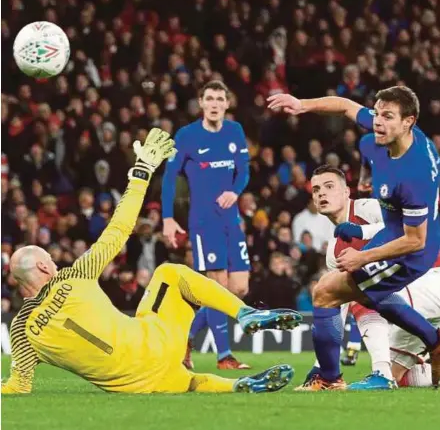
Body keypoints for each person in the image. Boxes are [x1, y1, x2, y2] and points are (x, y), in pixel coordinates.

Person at [1, 129, 301, 395]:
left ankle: (236, 385)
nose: (54, 262)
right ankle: (244, 313)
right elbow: (119, 228)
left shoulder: (20, 329)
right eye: (49, 259)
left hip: (136, 385)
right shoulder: (72, 276)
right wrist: (142, 171)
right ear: (43, 268)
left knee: (187, 380)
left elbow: (18, 387)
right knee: (169, 272)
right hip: (155, 345)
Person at [268, 86, 440, 389]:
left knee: (326, 292)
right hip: (394, 231)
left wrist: (363, 255)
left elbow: (416, 240)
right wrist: (301, 103)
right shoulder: (380, 141)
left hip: (416, 252)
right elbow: (345, 105)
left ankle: (331, 377)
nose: (378, 122)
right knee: (368, 295)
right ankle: (432, 345)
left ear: (408, 122)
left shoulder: (415, 174)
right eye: (377, 113)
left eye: (388, 117)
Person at [298, 165, 440, 390]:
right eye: (316, 190)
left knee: (362, 286)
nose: (321, 193)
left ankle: (381, 374)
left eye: (329, 186)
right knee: (402, 377)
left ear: (346, 192)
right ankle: (388, 372)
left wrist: (361, 233)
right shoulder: (334, 251)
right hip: (411, 303)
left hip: (431, 278)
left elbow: (405, 229)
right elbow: (335, 305)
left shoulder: (368, 207)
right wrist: (322, 363)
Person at [162, 80, 251, 370]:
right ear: (201, 103)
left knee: (239, 288)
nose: (214, 104)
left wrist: (234, 192)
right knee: (218, 287)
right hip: (204, 222)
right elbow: (168, 177)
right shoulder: (187, 136)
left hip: (231, 219)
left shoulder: (235, 131)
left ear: (227, 104)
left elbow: (244, 171)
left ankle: (186, 335)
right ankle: (224, 356)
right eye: (209, 99)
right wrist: (167, 217)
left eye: (219, 99)